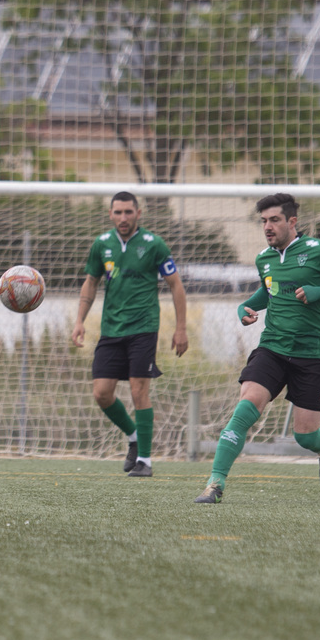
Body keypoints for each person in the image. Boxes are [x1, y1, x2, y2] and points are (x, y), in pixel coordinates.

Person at [193, 193, 320, 504]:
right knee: (247, 405)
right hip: (273, 346)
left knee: (305, 435)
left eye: (274, 220)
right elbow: (269, 290)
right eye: (263, 221)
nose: (268, 226)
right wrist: (244, 307)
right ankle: (214, 484)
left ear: (292, 221)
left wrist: (318, 292)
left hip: (314, 353)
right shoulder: (264, 258)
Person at [71, 191, 188, 477]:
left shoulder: (154, 244)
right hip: (111, 329)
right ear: (110, 214)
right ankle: (134, 437)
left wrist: (181, 328)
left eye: (128, 212)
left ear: (138, 213)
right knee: (101, 393)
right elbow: (91, 282)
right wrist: (79, 321)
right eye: (118, 212)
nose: (123, 217)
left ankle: (145, 461)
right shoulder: (101, 244)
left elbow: (175, 285)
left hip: (144, 328)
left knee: (139, 391)